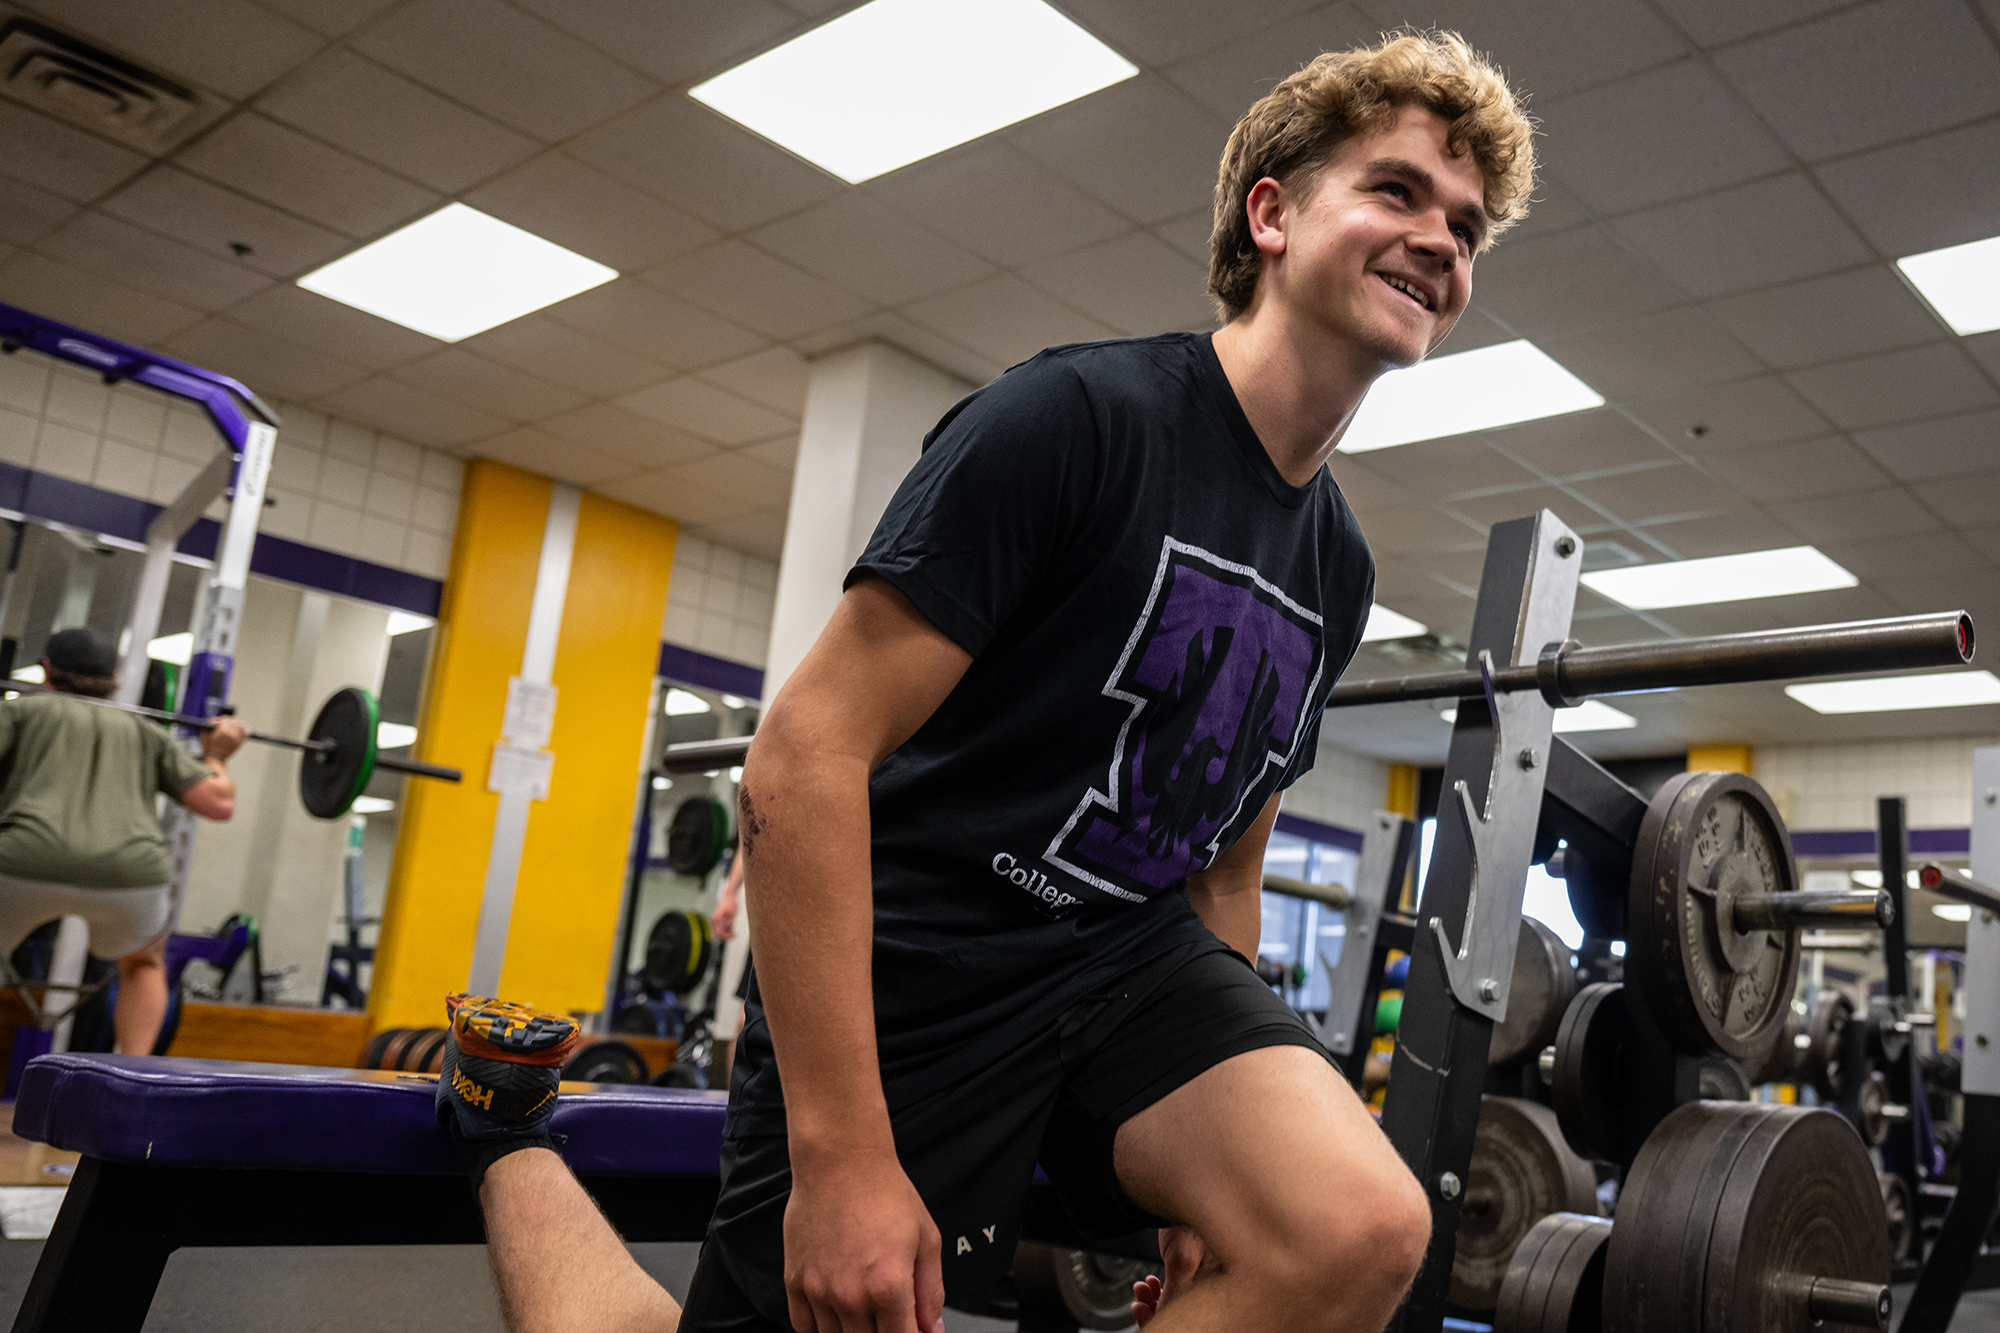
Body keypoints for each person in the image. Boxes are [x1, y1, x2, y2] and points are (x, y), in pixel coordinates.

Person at [435, 29, 1534, 1333]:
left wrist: (1218, 1138)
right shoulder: (1076, 421)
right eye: (1398, 190)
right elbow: (803, 754)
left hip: (1122, 970)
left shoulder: (1336, 568)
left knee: (1359, 1227)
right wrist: (844, 1157)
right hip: (917, 969)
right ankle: (503, 1132)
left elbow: (1225, 872)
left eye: (1467, 225)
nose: (1439, 239)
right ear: (1272, 215)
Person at [0, 626, 246, 1054]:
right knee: (144, 963)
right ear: (114, 679)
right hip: (129, 875)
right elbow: (218, 803)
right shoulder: (146, 731)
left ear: (46, 669)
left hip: (24, 860)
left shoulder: (19, 712)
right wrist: (217, 755)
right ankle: (133, 1072)